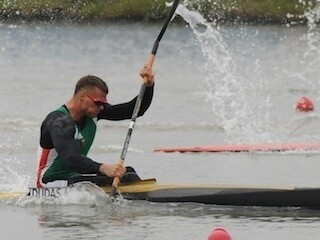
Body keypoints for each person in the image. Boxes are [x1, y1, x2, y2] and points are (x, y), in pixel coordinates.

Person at [36, 65, 155, 188]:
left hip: (74, 178)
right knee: (125, 178)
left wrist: (148, 86)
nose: (102, 107)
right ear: (82, 97)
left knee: (128, 172)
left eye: (103, 103)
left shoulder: (93, 112)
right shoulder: (58, 121)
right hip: (50, 183)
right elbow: (71, 158)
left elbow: (134, 110)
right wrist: (103, 168)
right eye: (98, 103)